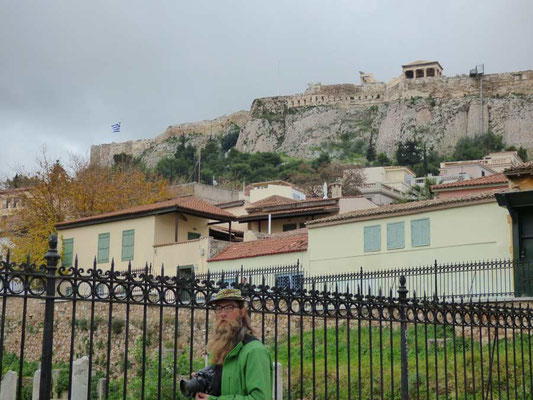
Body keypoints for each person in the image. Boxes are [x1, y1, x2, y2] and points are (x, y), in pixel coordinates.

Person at [195, 288, 273, 400]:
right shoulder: (219, 349)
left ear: (242, 312)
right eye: (218, 308)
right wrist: (203, 384)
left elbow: (259, 398)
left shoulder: (254, 351)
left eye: (229, 308)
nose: (222, 314)